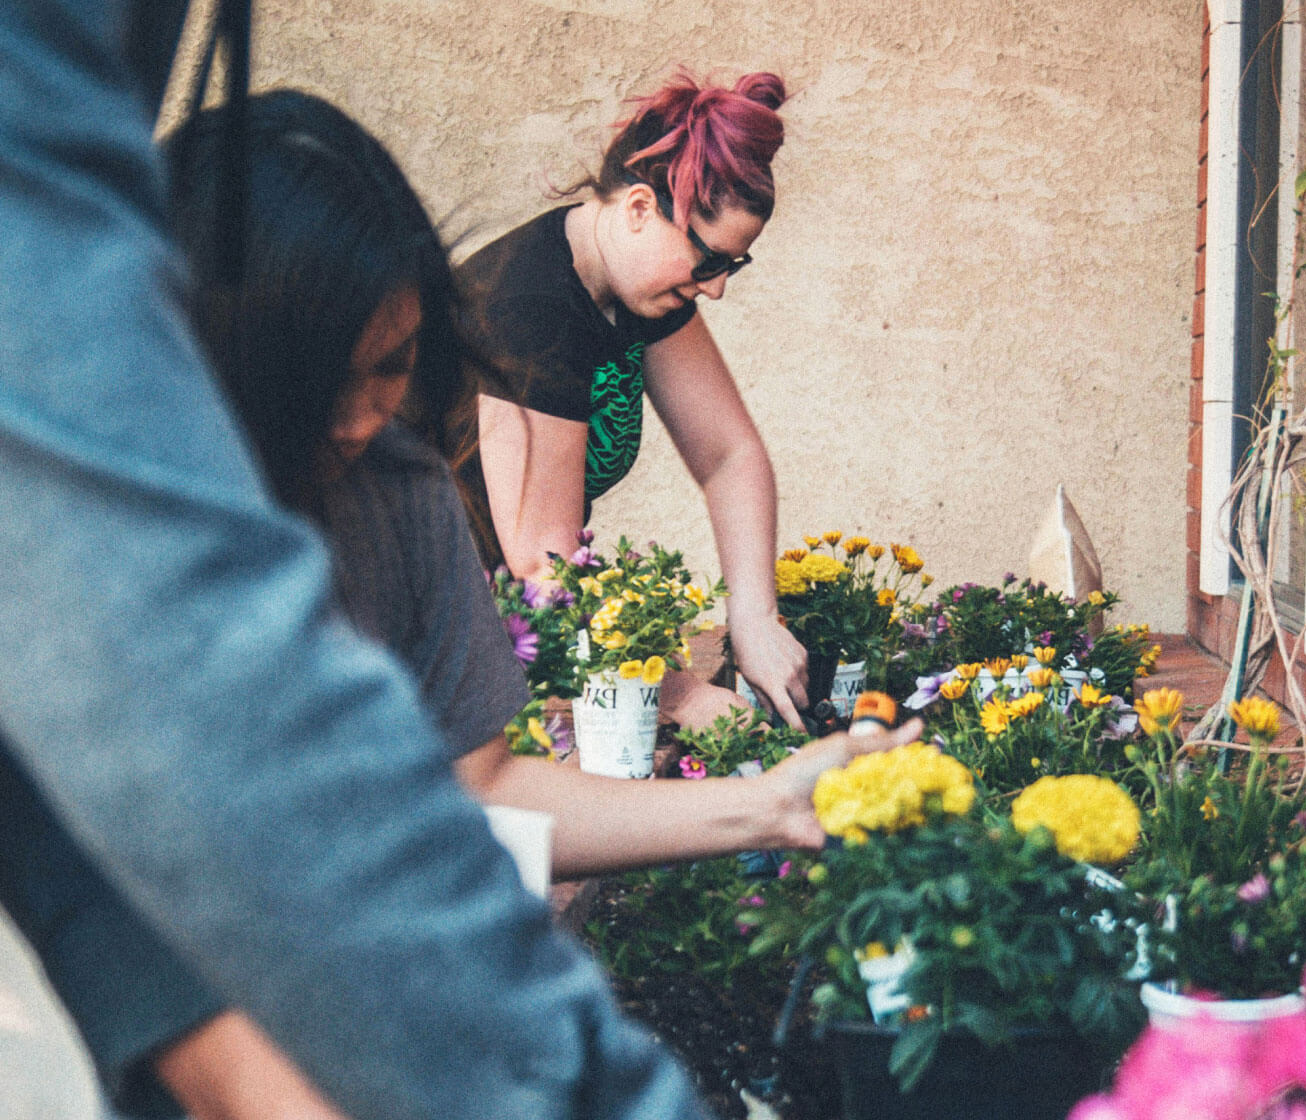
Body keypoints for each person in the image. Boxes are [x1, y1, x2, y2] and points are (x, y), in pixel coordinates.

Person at [4, 82, 922, 1117]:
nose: (366, 421)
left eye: (394, 370)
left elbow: (480, 787)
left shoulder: (397, 489)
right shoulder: (83, 531)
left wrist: (770, 802)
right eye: (325, 383)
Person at [453, 69, 812, 730]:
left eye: (731, 266)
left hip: (509, 636)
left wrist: (755, 617)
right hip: (424, 641)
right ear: (641, 209)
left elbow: (729, 455)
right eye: (708, 261)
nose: (715, 290)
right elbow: (544, 574)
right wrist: (681, 696)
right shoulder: (529, 311)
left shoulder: (635, 287)